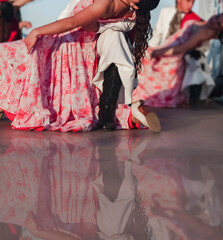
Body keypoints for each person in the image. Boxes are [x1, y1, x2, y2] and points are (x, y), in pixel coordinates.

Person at [0, 0, 161, 132]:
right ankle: (124, 113)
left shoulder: (108, 4)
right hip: (87, 51)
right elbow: (94, 26)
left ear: (135, 3)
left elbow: (73, 22)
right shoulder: (133, 14)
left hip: (71, 44)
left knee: (6, 53)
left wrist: (37, 31)